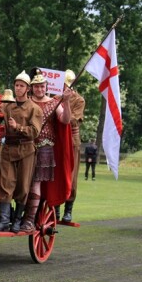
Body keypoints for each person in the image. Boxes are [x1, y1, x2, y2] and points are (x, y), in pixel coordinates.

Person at [19, 69, 72, 233]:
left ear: (46, 87)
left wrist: (67, 101)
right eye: (36, 87)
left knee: (35, 182)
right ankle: (16, 216)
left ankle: (28, 221)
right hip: (25, 145)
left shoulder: (54, 102)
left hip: (45, 146)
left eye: (42, 86)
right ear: (32, 88)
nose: (39, 89)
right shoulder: (26, 103)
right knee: (20, 181)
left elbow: (65, 120)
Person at [0, 71, 43, 232]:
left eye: (22, 86)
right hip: (8, 148)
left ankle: (17, 220)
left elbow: (35, 132)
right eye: (16, 85)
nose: (18, 88)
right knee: (5, 183)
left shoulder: (34, 109)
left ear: (27, 89)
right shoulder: (8, 106)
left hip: (26, 150)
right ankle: (4, 220)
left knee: (22, 186)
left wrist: (18, 127)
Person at [58, 69, 86, 222]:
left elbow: (73, 120)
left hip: (71, 140)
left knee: (71, 174)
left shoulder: (79, 100)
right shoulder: (55, 97)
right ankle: (54, 207)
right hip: (56, 139)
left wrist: (65, 107)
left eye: (65, 85)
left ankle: (68, 208)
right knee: (54, 173)